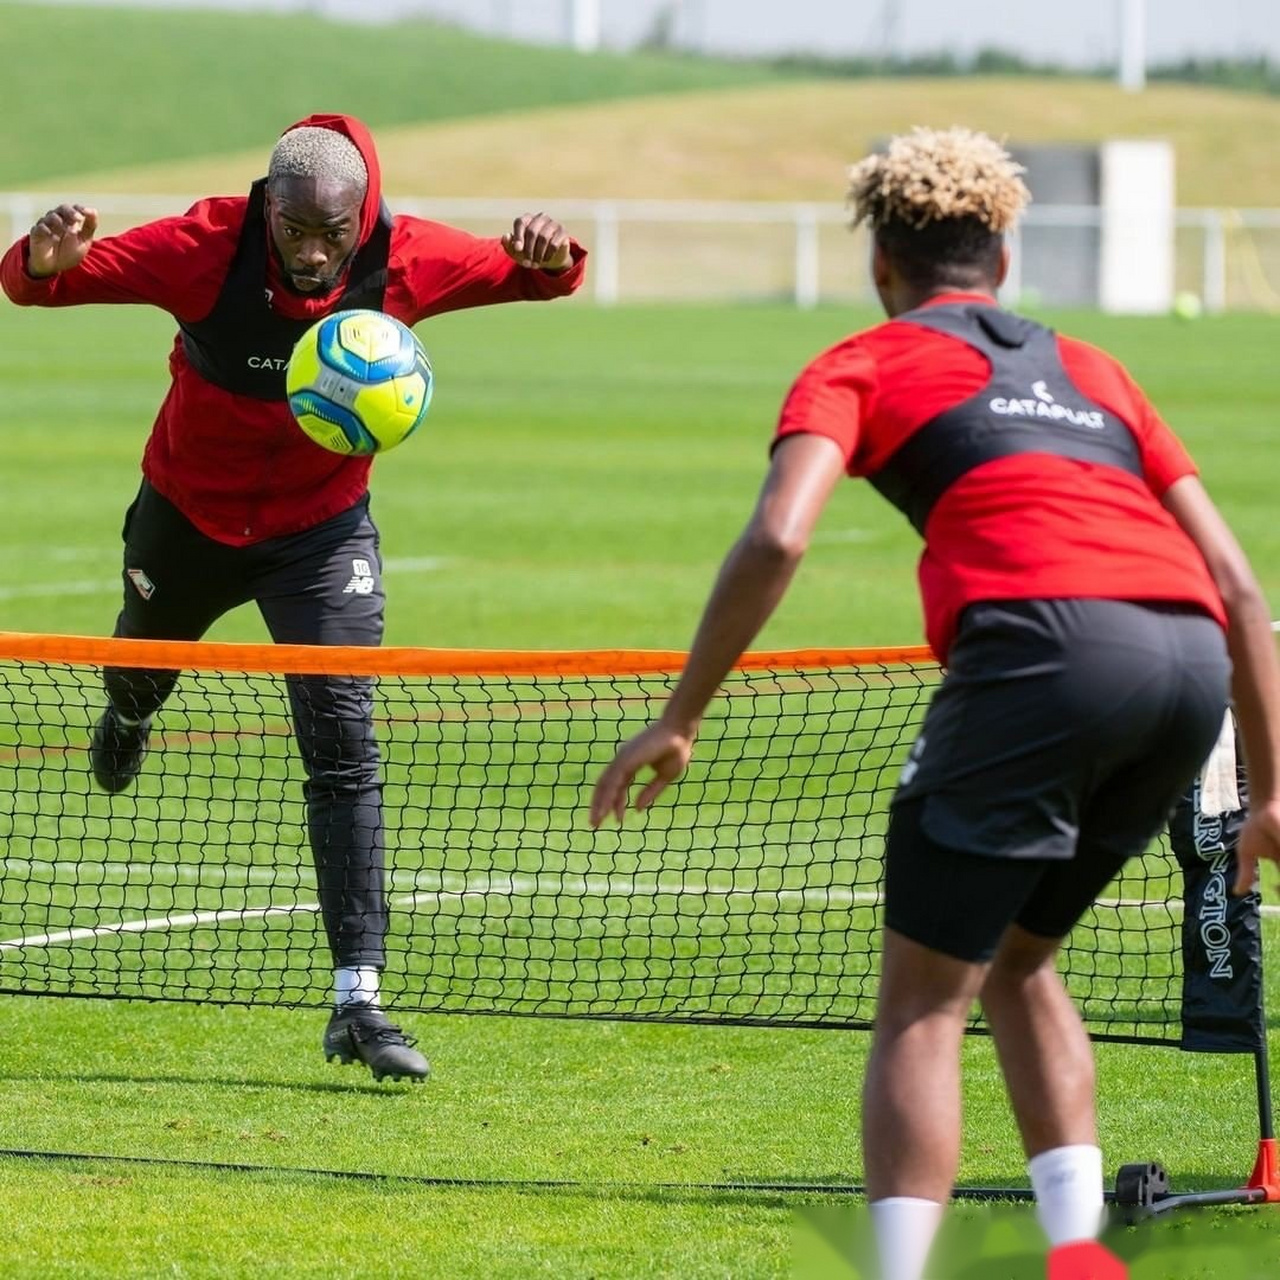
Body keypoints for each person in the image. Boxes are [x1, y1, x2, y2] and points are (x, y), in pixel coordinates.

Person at [588, 126, 1280, 1278]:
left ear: (879, 268)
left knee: (918, 1001)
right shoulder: (1092, 370)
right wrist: (1270, 786)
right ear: (1000, 260)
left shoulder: (857, 361)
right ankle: (1074, 1253)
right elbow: (1240, 584)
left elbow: (778, 531)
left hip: (1040, 654)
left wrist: (680, 713)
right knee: (1017, 956)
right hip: (1184, 667)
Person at [1, 113, 587, 1084]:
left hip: (318, 537)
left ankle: (358, 997)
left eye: (334, 233)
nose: (315, 254)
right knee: (138, 667)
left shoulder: (406, 259)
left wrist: (552, 254)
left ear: (363, 218)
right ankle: (128, 710)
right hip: (185, 517)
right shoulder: (202, 246)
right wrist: (42, 259)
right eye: (296, 230)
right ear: (268, 207)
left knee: (342, 735)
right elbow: (37, 284)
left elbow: (535, 274)